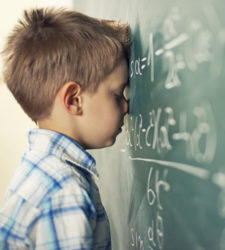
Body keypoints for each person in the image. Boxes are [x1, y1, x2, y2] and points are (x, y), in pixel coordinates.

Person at [0, 7, 131, 249]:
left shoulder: (40, 169)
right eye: (117, 94)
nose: (126, 107)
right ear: (74, 100)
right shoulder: (64, 192)